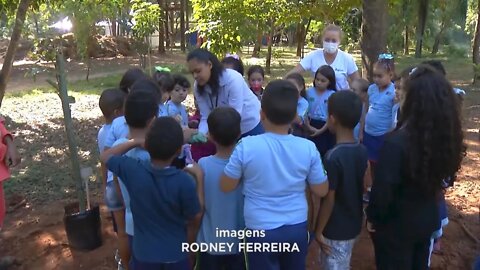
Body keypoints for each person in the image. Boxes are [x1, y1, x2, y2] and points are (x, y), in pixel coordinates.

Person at [220, 80, 329, 270]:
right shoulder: (308, 148)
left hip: (259, 229)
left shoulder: (246, 146)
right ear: (295, 115)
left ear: (261, 114)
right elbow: (321, 190)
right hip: (296, 226)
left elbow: (226, 186)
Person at [366, 65, 465, 269]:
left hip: (396, 227)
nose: (399, 95)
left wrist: (372, 218)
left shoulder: (396, 143)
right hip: (428, 219)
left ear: (414, 101)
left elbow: (383, 192)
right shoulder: (447, 138)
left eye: (404, 92)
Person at [101, 116, 204, 270]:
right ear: (178, 150)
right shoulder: (184, 181)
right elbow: (195, 216)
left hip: (144, 254)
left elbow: (105, 156)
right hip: (176, 253)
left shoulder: (133, 170)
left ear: (147, 144)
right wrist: (200, 179)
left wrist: (134, 141)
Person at [311, 91, 368, 269]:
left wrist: (318, 231)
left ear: (332, 119)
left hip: (334, 228)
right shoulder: (362, 150)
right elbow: (366, 186)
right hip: (354, 223)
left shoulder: (332, 157)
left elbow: (329, 198)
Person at [196, 107, 245, 270]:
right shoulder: (247, 165)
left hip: (210, 243)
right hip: (240, 246)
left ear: (210, 135)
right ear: (239, 133)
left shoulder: (202, 165)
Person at [187, 48, 263, 142]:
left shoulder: (233, 79)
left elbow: (235, 115)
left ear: (210, 65)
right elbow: (206, 115)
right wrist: (201, 134)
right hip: (228, 130)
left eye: (198, 71)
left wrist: (214, 135)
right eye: (192, 73)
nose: (195, 76)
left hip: (250, 125)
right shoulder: (198, 86)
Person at [97, 88, 126, 268]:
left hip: (109, 185)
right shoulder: (121, 130)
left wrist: (103, 185)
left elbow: (103, 162)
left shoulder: (101, 132)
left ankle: (124, 263)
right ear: (117, 112)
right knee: (128, 229)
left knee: (121, 232)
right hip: (121, 184)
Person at [287, 24, 360, 90]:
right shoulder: (313, 56)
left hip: (341, 100)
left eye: (334, 40)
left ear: (339, 41)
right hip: (318, 100)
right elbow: (292, 74)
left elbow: (357, 83)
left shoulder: (347, 58)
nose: (330, 43)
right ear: (322, 40)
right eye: (327, 40)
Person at [306, 65, 336, 157]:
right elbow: (305, 112)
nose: (319, 82)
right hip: (310, 124)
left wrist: (321, 130)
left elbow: (332, 115)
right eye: (317, 79)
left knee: (324, 152)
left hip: (326, 126)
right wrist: (308, 126)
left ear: (329, 82)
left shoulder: (332, 95)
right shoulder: (308, 92)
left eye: (323, 81)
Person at [286, 73, 309, 137]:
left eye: (293, 86)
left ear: (301, 87)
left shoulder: (304, 103)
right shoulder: (283, 98)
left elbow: (298, 120)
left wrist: (292, 102)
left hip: (298, 131)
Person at [350, 78, 369, 142]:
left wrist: (360, 134)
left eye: (354, 90)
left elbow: (362, 121)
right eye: (351, 88)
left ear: (364, 93)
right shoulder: (353, 102)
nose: (351, 91)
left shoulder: (366, 106)